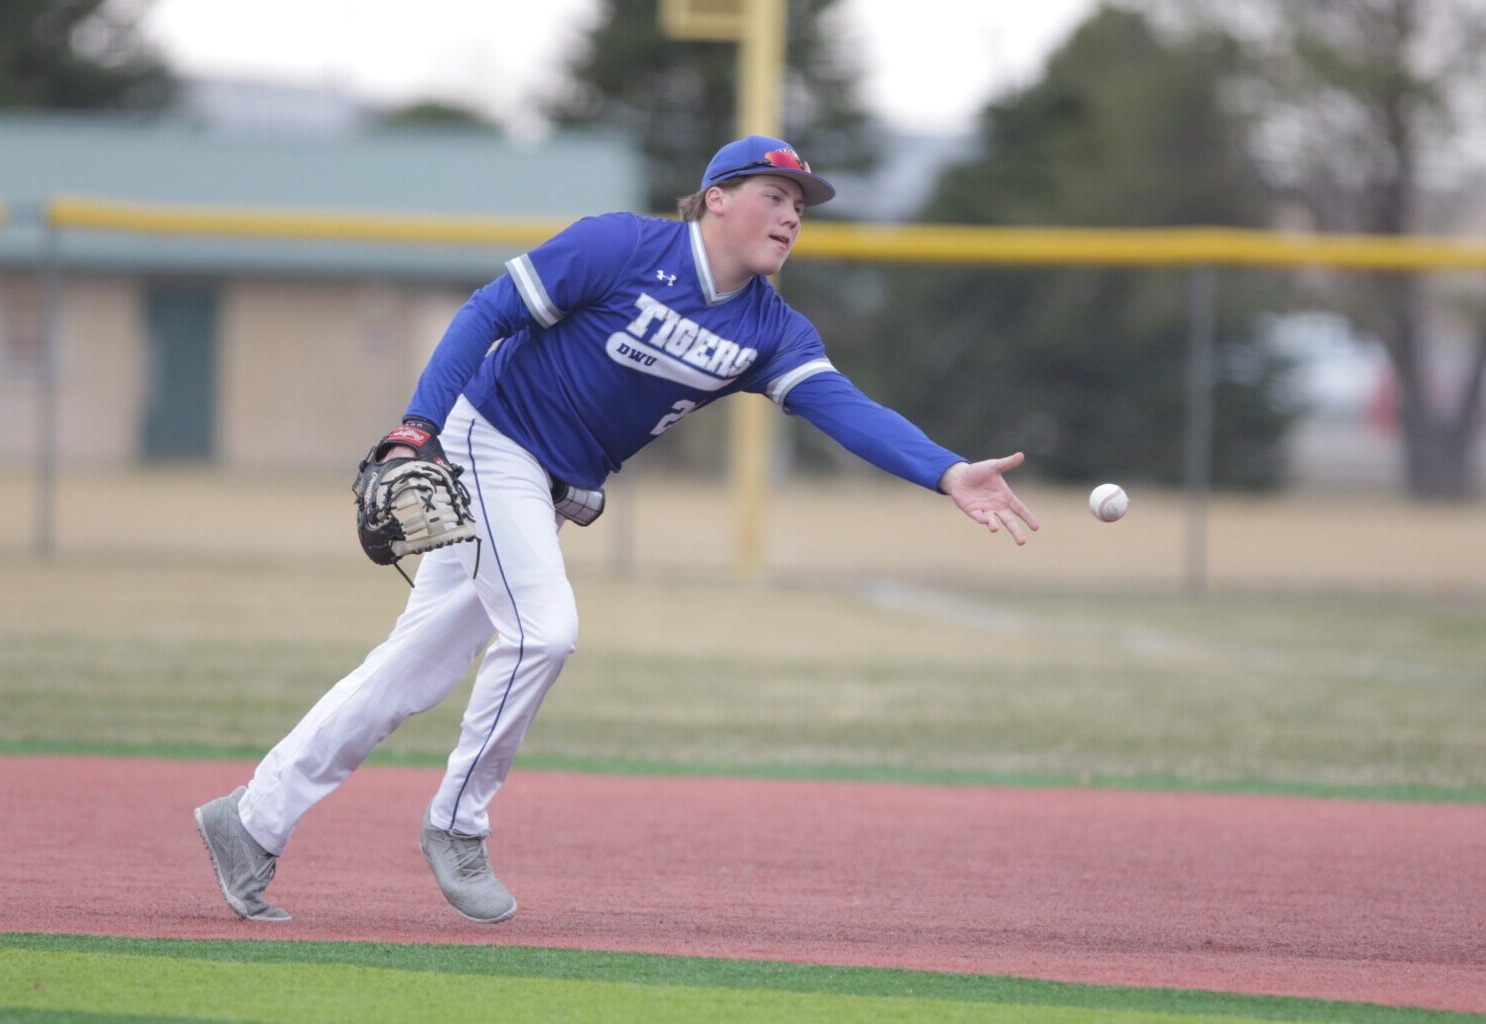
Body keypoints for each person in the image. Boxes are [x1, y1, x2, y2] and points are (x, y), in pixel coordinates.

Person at [193, 135, 1039, 924]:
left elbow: (843, 408)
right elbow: (487, 312)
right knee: (544, 632)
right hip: (488, 442)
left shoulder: (769, 329)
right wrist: (419, 425)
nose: (791, 216)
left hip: (545, 491)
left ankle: (250, 820)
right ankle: (457, 822)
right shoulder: (620, 247)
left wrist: (945, 470)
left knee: (412, 669)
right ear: (715, 198)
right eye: (775, 196)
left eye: (799, 206)